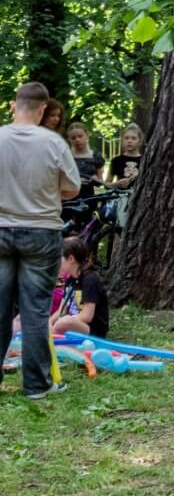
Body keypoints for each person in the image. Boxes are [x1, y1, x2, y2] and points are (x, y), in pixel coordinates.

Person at [0, 82, 80, 399]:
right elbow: (73, 187)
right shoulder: (52, 142)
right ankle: (36, 384)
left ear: (14, 105)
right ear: (43, 108)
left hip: (1, 228)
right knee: (35, 310)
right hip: (41, 230)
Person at [50, 236, 110, 340]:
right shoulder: (70, 280)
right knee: (28, 320)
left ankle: (48, 347)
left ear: (71, 259)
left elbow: (87, 316)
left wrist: (64, 321)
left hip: (92, 331)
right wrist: (49, 322)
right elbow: (62, 310)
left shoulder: (90, 280)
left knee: (64, 322)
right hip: (73, 324)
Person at [66, 122, 103, 193]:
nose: (77, 140)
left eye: (80, 136)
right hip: (70, 199)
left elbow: (101, 183)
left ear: (87, 135)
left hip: (89, 198)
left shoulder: (96, 156)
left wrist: (96, 180)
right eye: (73, 138)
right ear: (69, 140)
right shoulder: (66, 156)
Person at [107, 122, 144, 188]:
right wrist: (116, 184)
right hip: (120, 196)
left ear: (139, 141)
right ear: (122, 140)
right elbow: (106, 185)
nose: (129, 141)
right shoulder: (116, 160)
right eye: (126, 138)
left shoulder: (145, 160)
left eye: (133, 138)